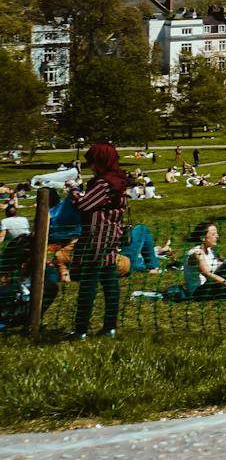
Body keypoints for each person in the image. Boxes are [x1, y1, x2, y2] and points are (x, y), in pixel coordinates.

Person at [67, 143, 129, 340]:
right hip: (110, 237)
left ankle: (81, 330)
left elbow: (84, 205)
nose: (90, 165)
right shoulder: (118, 180)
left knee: (88, 286)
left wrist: (75, 189)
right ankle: (109, 327)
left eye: (92, 161)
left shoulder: (104, 183)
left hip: (96, 239)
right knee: (110, 285)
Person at [182, 222, 226, 299]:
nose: (217, 236)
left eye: (217, 234)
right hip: (199, 292)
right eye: (213, 234)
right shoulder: (197, 253)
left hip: (212, 285)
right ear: (203, 238)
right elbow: (209, 275)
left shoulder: (211, 251)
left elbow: (221, 267)